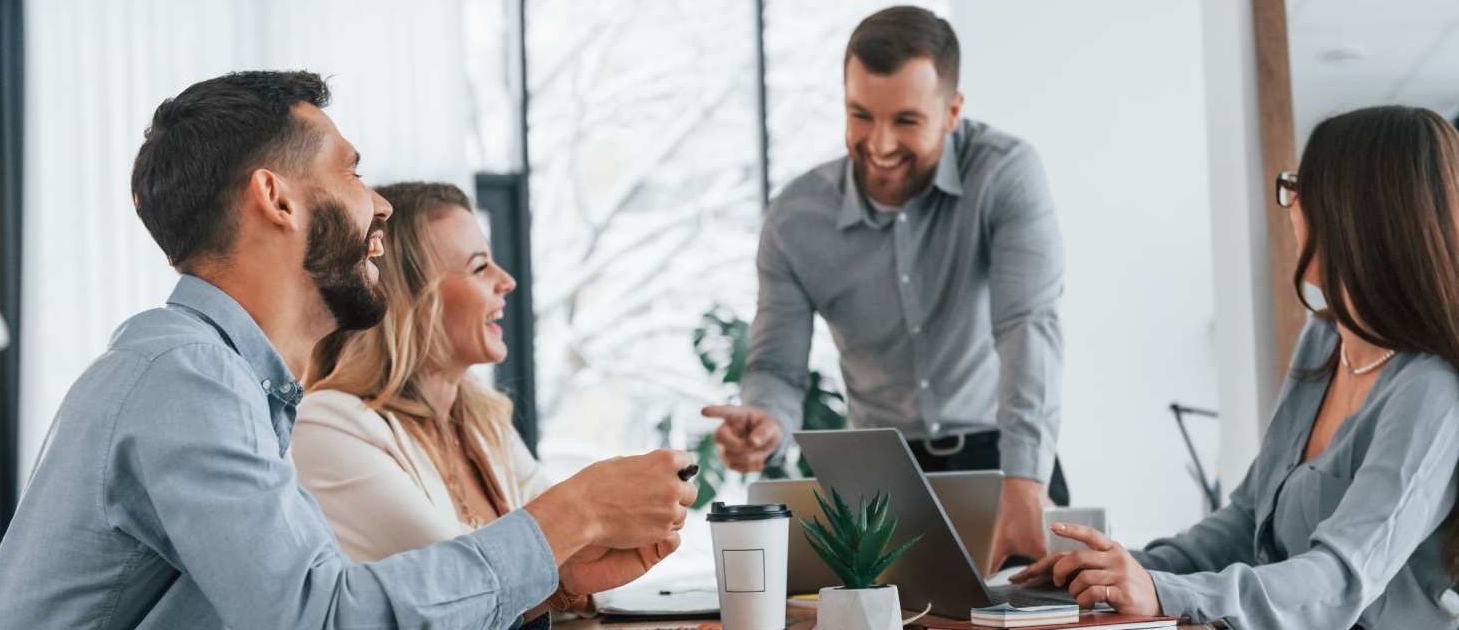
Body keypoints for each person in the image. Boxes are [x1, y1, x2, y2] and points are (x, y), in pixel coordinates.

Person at [0, 71, 697, 630]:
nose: (379, 203)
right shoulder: (186, 374)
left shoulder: (230, 384)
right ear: (276, 199)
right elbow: (319, 617)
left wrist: (555, 571)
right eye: (350, 170)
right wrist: (570, 517)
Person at [1009, 106, 1459, 629]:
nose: (1290, 205)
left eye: (1298, 187)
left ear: (1352, 213)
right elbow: (1248, 517)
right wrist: (1120, 568)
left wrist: (1163, 590)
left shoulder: (1430, 389)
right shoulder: (1323, 342)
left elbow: (1341, 578)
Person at [703, 5, 1065, 572]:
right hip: (879, 479)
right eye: (860, 115)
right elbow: (777, 367)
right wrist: (765, 419)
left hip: (1005, 461)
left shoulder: (1004, 173)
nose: (879, 144)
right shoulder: (797, 219)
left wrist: (1024, 481)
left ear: (952, 111)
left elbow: (1026, 326)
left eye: (906, 121)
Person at [293, 181, 669, 618]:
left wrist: (578, 570)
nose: (506, 281)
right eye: (479, 267)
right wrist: (584, 515)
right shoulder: (328, 426)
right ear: (409, 299)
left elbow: (573, 558)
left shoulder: (479, 421)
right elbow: (459, 587)